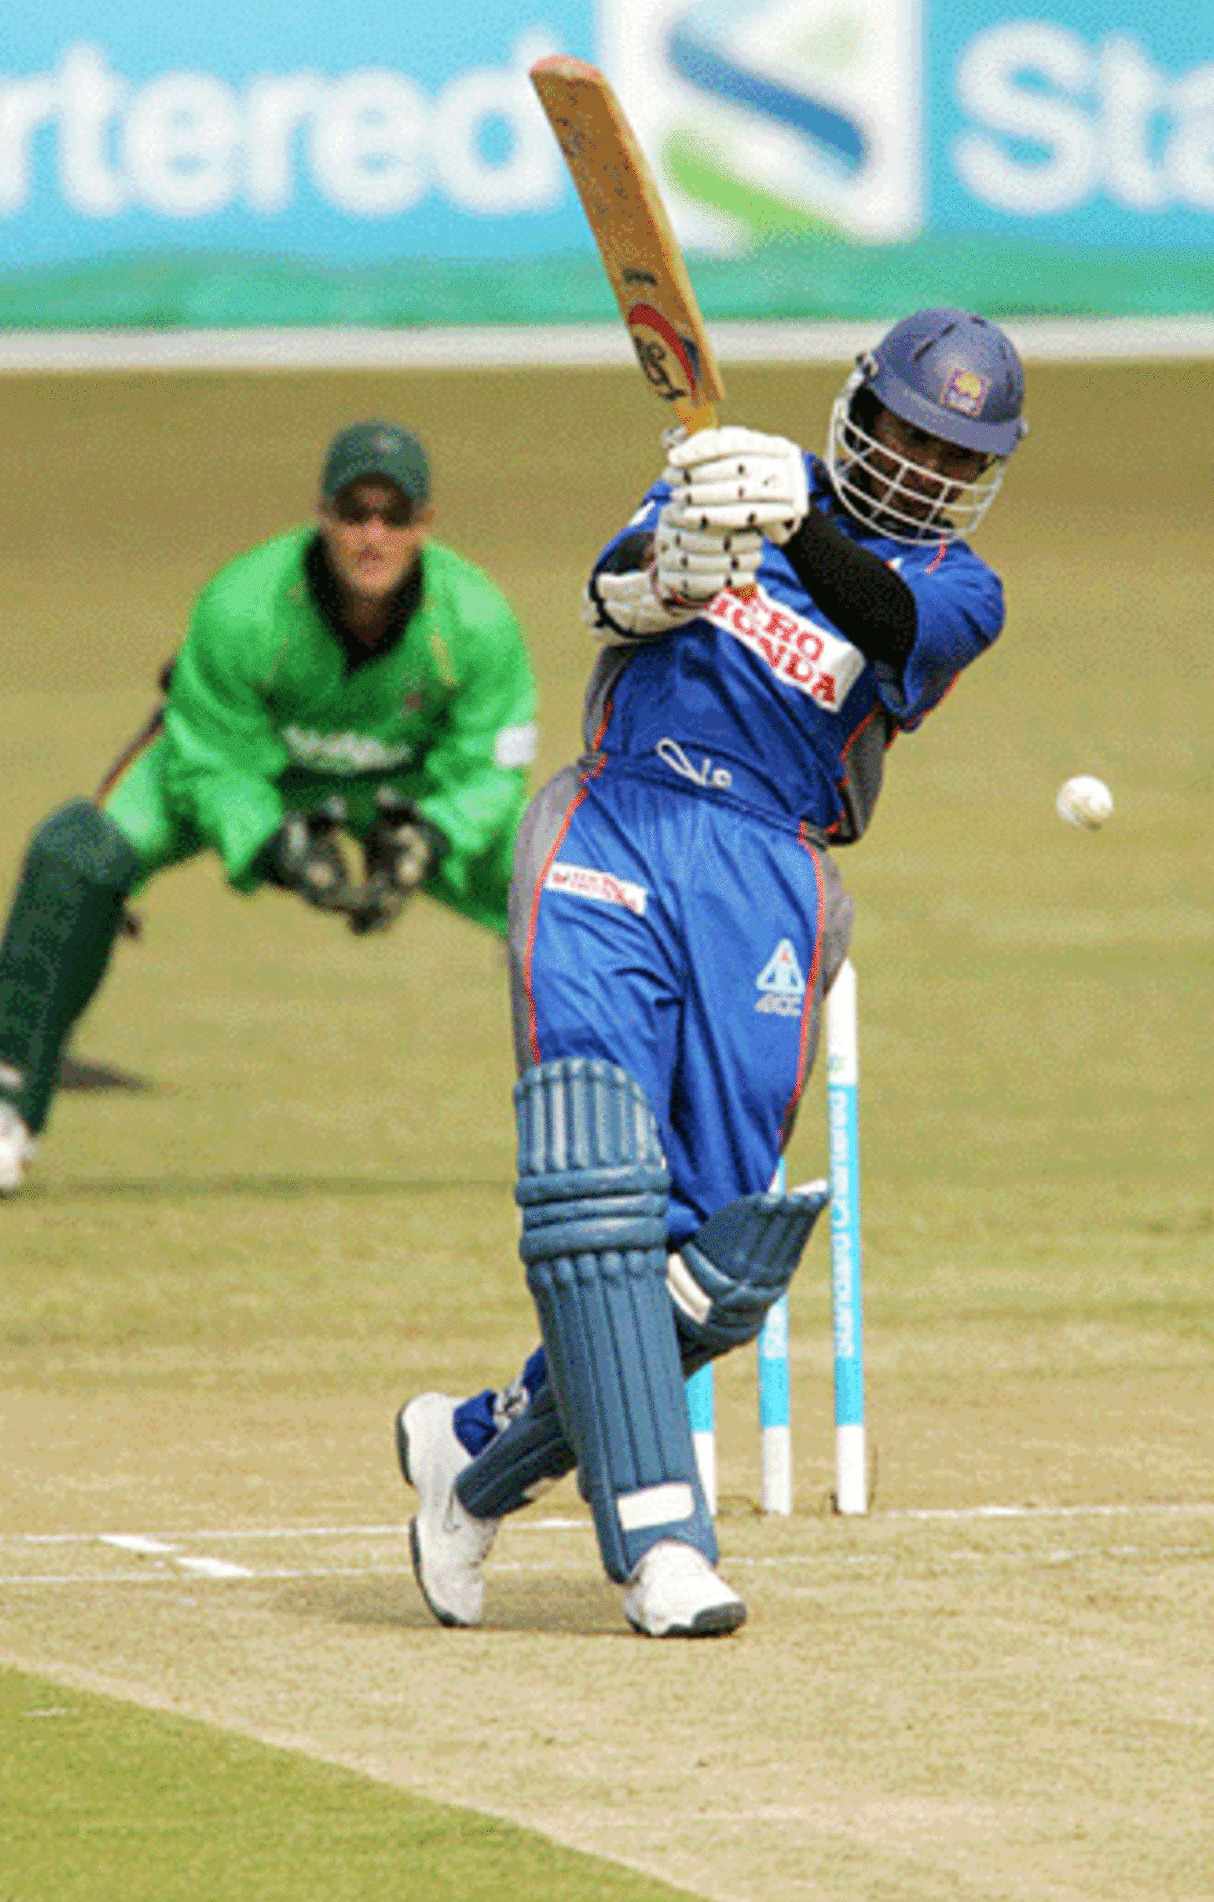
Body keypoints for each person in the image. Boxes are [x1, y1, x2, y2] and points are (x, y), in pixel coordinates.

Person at [395, 308, 1026, 1639]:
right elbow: (609, 589)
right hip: (616, 818)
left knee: (715, 1270)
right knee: (592, 1187)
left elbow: (883, 612)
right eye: (906, 429)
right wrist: (672, 569)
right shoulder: (728, 470)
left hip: (771, 875)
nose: (919, 463)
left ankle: (476, 1449)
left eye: (951, 452)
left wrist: (792, 521)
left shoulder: (961, 588)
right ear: (858, 407)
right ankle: (662, 1542)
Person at [0, 419, 537, 1197]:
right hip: (247, 770)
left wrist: (432, 836)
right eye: (354, 512)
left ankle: (630, 1130)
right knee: (74, 854)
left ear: (424, 524)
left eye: (394, 516)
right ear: (322, 514)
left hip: (404, 788)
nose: (372, 534)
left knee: (564, 891)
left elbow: (492, 769)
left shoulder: (478, 620)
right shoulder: (243, 603)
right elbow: (209, 756)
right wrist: (269, 844)